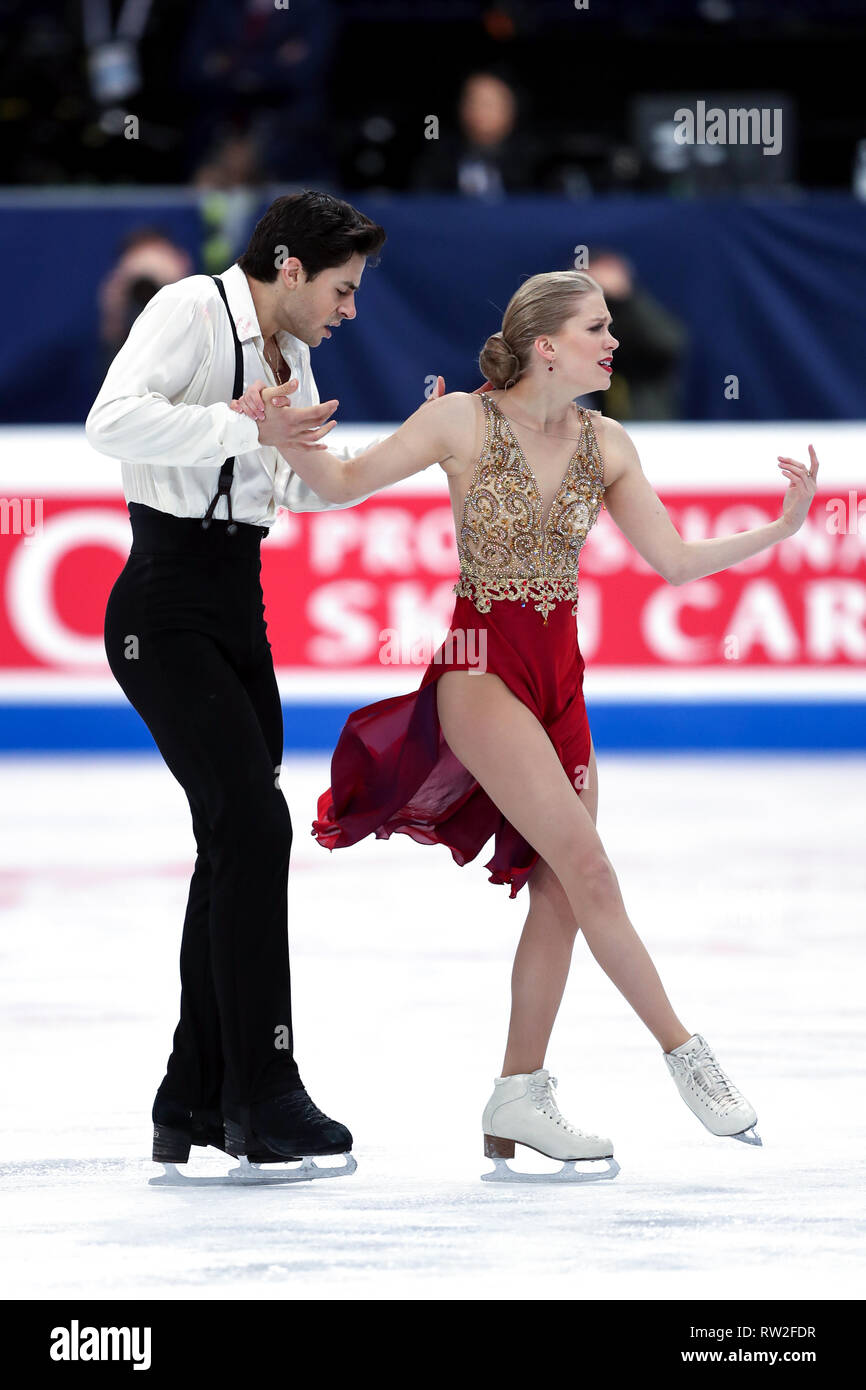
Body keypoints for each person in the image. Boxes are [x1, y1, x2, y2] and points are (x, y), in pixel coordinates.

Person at [232, 268, 819, 1182]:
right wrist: (280, 437)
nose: (614, 341)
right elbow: (342, 481)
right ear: (546, 344)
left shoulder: (608, 441)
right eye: (598, 327)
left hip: (560, 675)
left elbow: (671, 561)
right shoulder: (460, 420)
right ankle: (687, 1053)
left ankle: (518, 1092)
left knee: (558, 889)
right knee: (588, 866)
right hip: (480, 666)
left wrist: (778, 531)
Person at [85, 190, 385, 1182]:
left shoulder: (293, 359)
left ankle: (191, 1096)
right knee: (254, 826)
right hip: (161, 600)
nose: (347, 311)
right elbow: (112, 420)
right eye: (340, 289)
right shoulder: (186, 310)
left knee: (233, 836)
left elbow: (296, 483)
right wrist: (235, 421)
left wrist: (413, 447)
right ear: (290, 267)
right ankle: (260, 1094)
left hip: (235, 599)